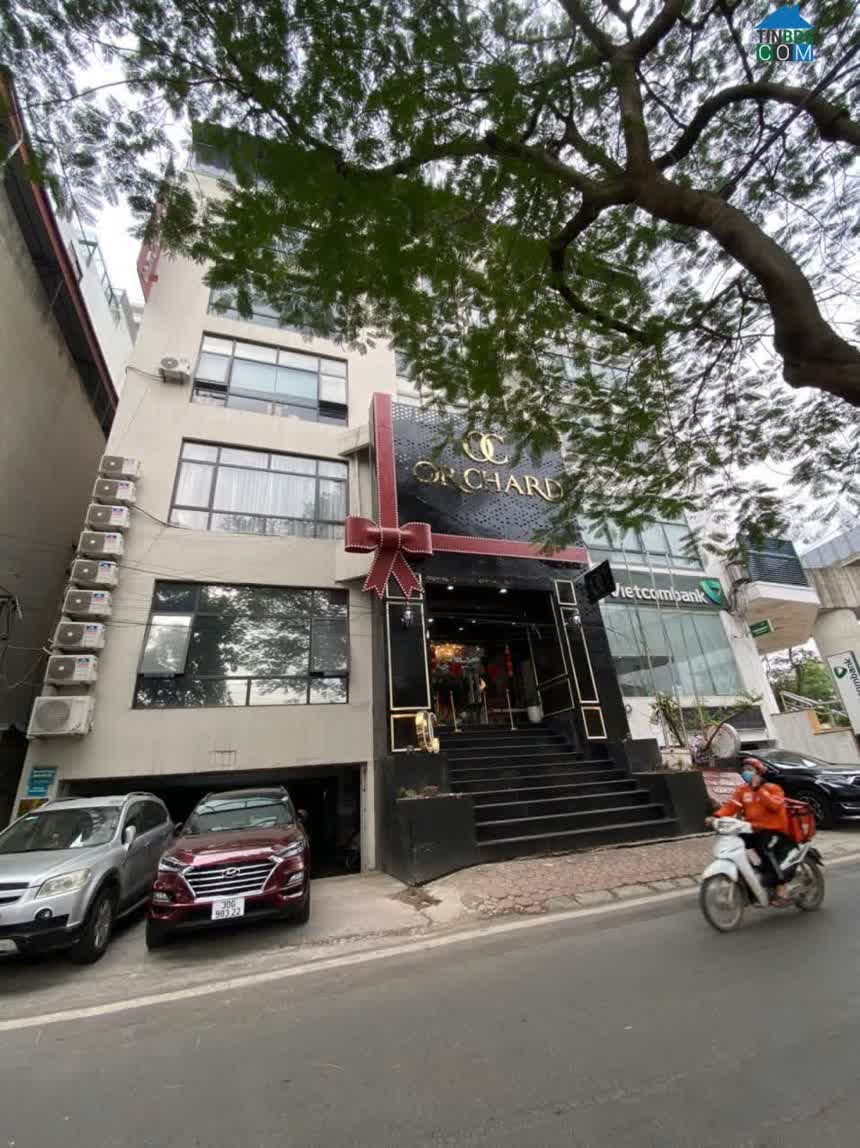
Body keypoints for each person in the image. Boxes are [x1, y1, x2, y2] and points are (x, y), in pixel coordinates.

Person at [709, 757, 795, 905]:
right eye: (744, 770)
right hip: (752, 828)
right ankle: (751, 877)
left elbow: (775, 806)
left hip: (774, 829)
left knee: (766, 850)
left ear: (759, 773)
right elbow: (731, 807)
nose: (746, 772)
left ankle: (782, 888)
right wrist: (716, 817)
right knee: (735, 844)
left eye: (750, 770)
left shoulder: (773, 788)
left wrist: (759, 790)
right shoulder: (742, 790)